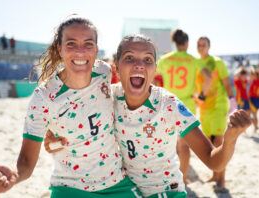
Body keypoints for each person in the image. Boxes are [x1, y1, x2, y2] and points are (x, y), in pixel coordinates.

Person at [44, 34, 251, 197]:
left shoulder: (168, 105)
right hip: (124, 190)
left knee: (184, 148)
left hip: (166, 191)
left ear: (154, 70)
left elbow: (214, 162)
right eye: (129, 58)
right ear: (116, 66)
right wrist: (54, 140)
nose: (139, 65)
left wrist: (230, 139)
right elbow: (60, 136)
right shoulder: (107, 97)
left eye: (147, 60)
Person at [0, 16, 141, 198]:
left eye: (88, 44)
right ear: (60, 49)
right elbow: (26, 160)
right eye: (71, 44)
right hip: (70, 187)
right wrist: (14, 176)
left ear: (96, 49)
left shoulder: (104, 72)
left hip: (117, 183)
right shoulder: (43, 97)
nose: (80, 51)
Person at [156, 29, 198, 183]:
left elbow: (155, 77)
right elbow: (206, 76)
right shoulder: (194, 60)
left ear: (175, 42)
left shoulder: (165, 59)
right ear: (187, 43)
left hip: (168, 103)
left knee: (165, 144)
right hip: (187, 105)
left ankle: (167, 179)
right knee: (184, 145)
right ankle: (184, 177)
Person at [195, 36, 237, 191]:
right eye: (198, 45)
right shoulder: (196, 63)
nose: (201, 47)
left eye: (203, 45)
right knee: (210, 143)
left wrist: (233, 103)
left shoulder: (217, 62)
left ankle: (222, 179)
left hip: (218, 106)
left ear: (209, 46)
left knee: (220, 141)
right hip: (205, 108)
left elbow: (226, 83)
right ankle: (214, 174)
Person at [248, 67, 259, 131]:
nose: (252, 76)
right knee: (254, 114)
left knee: (254, 114)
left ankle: (255, 127)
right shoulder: (251, 81)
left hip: (256, 99)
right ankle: (255, 127)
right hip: (252, 99)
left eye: (254, 74)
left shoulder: (257, 81)